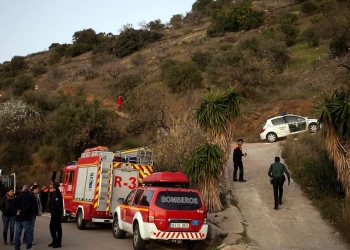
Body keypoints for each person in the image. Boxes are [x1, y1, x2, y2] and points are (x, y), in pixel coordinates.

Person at [13, 185, 35, 250]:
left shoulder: (17, 197)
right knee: (28, 232)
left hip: (18, 218)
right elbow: (29, 206)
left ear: (22, 190)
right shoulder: (30, 197)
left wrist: (17, 211)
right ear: (28, 190)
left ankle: (17, 247)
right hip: (26, 217)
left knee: (17, 233)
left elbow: (13, 206)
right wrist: (22, 211)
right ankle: (29, 246)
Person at [48, 182, 63, 248]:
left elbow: (57, 205)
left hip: (57, 213)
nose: (50, 186)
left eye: (51, 185)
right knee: (52, 227)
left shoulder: (57, 194)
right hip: (54, 214)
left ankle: (58, 242)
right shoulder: (54, 193)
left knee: (57, 228)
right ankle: (54, 240)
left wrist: (51, 208)